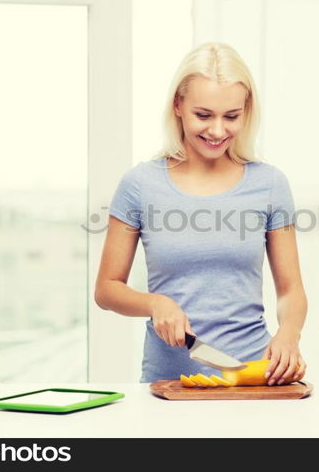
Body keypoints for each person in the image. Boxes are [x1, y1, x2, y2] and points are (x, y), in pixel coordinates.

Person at [95, 42, 307, 385]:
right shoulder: (140, 184)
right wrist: (155, 304)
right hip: (170, 380)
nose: (218, 130)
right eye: (204, 115)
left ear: (247, 110)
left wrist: (289, 334)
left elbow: (291, 290)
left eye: (232, 116)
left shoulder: (269, 184)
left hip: (254, 375)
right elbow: (106, 289)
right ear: (178, 105)